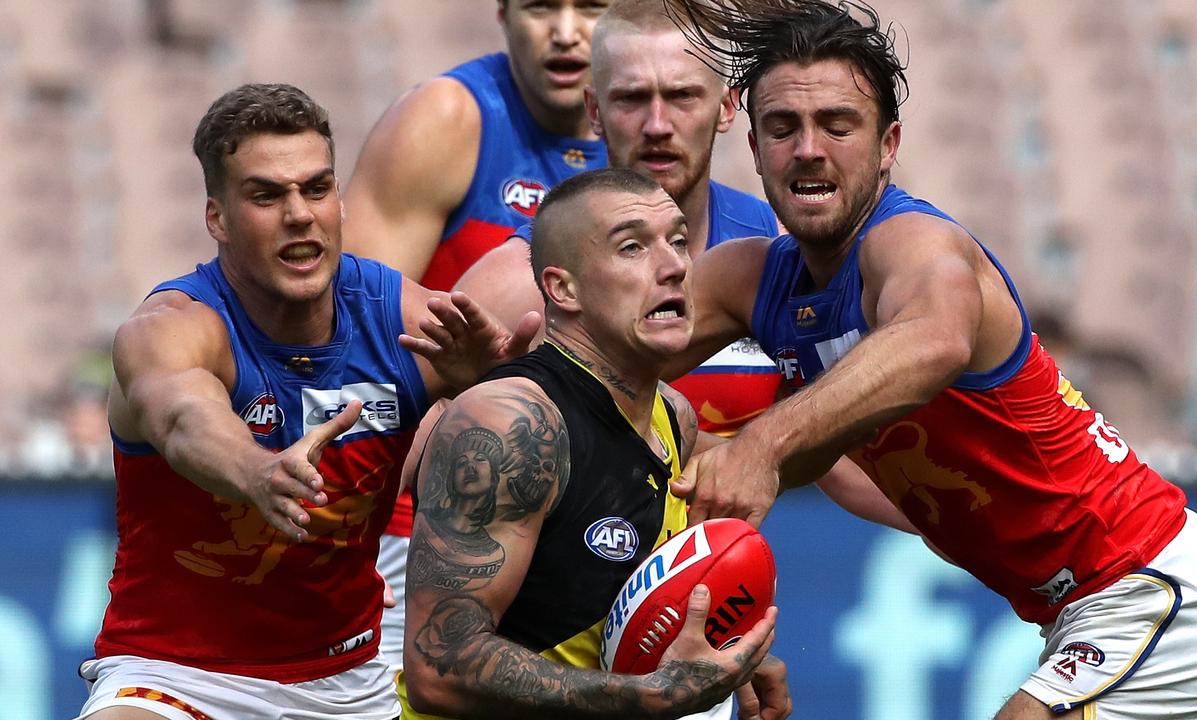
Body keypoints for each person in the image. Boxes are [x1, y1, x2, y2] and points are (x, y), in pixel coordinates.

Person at [652, 1, 1197, 718]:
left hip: (1155, 592)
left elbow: (933, 340)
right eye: (783, 129)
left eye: (838, 126)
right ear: (754, 150)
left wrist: (762, 443)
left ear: (888, 145)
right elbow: (608, 357)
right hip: (1101, 609)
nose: (808, 149)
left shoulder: (913, 245)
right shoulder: (751, 278)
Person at [76, 83, 532, 720]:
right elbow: (182, 417)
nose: (299, 214)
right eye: (267, 195)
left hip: (349, 682)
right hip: (179, 679)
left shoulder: (399, 315)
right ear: (217, 218)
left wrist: (485, 390)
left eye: (316, 189)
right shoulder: (172, 328)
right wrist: (259, 470)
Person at [452, 0, 913, 532]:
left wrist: (982, 541)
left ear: (726, 106)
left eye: (681, 96)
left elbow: (845, 462)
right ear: (595, 110)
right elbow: (427, 451)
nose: (657, 124)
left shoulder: (784, 259)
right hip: (562, 611)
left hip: (715, 605)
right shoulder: (518, 281)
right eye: (631, 99)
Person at [399, 168, 789, 720]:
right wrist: (650, 698)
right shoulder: (512, 422)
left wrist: (727, 659)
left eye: (679, 241)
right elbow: (438, 669)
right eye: (632, 247)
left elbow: (622, 609)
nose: (676, 265)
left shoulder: (673, 417)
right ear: (563, 288)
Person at [343, 0, 611, 668]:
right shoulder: (450, 119)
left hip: (583, 538)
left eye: (594, 7)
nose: (566, 30)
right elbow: (348, 338)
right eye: (542, 6)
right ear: (502, 12)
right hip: (430, 532)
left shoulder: (657, 131)